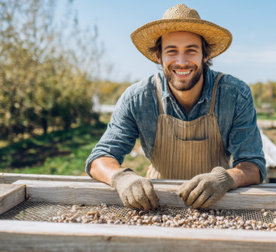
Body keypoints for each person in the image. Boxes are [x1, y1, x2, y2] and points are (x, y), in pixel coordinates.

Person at [85, 4, 266, 210]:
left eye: (191, 50)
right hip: (157, 205)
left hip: (218, 204)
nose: (181, 62)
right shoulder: (137, 98)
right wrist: (121, 178)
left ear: (205, 55)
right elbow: (99, 157)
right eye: (171, 51)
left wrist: (223, 179)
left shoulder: (235, 95)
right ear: (158, 56)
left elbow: (254, 166)